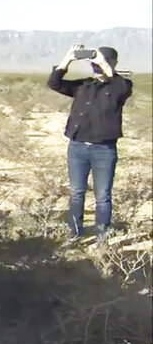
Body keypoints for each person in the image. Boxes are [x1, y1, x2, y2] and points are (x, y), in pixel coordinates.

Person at [47, 44, 133, 241]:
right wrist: (67, 59)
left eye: (101, 62)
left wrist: (102, 61)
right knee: (76, 192)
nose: (96, 66)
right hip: (77, 147)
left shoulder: (121, 86)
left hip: (104, 150)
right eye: (93, 63)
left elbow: (119, 86)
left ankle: (102, 237)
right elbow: (55, 83)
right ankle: (74, 234)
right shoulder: (84, 86)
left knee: (102, 196)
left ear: (114, 63)